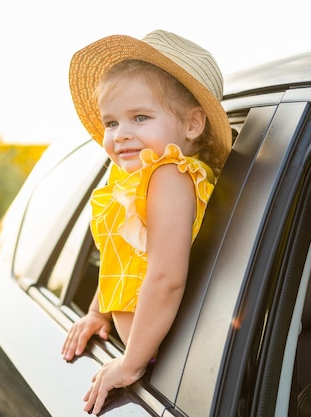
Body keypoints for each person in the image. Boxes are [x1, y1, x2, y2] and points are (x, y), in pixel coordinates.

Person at [62, 29, 232, 415]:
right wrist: (97, 312)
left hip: (160, 366)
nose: (121, 135)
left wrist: (131, 363)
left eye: (140, 117)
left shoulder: (170, 176)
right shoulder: (138, 179)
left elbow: (165, 276)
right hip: (149, 357)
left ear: (192, 125)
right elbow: (123, 258)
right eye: (111, 123)